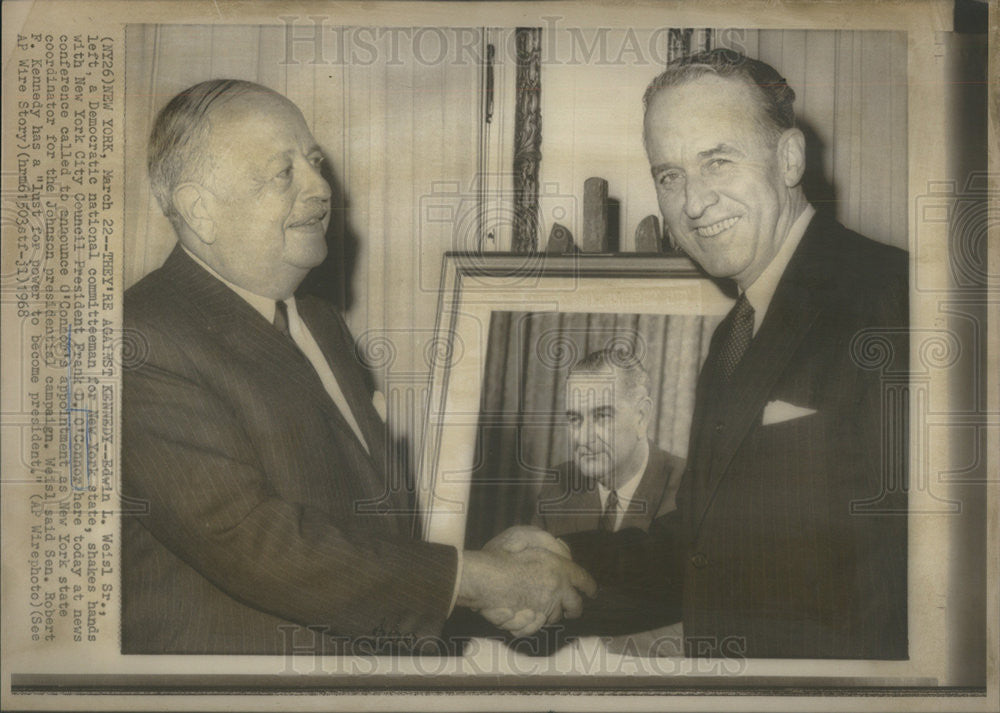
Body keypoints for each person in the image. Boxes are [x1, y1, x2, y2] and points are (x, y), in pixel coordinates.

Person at [121, 79, 594, 655]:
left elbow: (363, 522)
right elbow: (255, 543)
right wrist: (476, 579)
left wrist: (481, 558)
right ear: (199, 209)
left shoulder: (318, 321)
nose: (321, 188)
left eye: (314, 163)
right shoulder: (139, 338)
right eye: (283, 172)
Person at [491, 49, 908, 659]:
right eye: (670, 175)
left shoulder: (894, 296)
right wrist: (553, 564)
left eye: (718, 161)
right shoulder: (735, 332)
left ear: (789, 157)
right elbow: (701, 551)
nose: (692, 203)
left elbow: (926, 578)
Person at [532, 348, 685, 537]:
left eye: (602, 416)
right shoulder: (558, 485)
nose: (583, 438)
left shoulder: (687, 486)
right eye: (575, 419)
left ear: (641, 417)